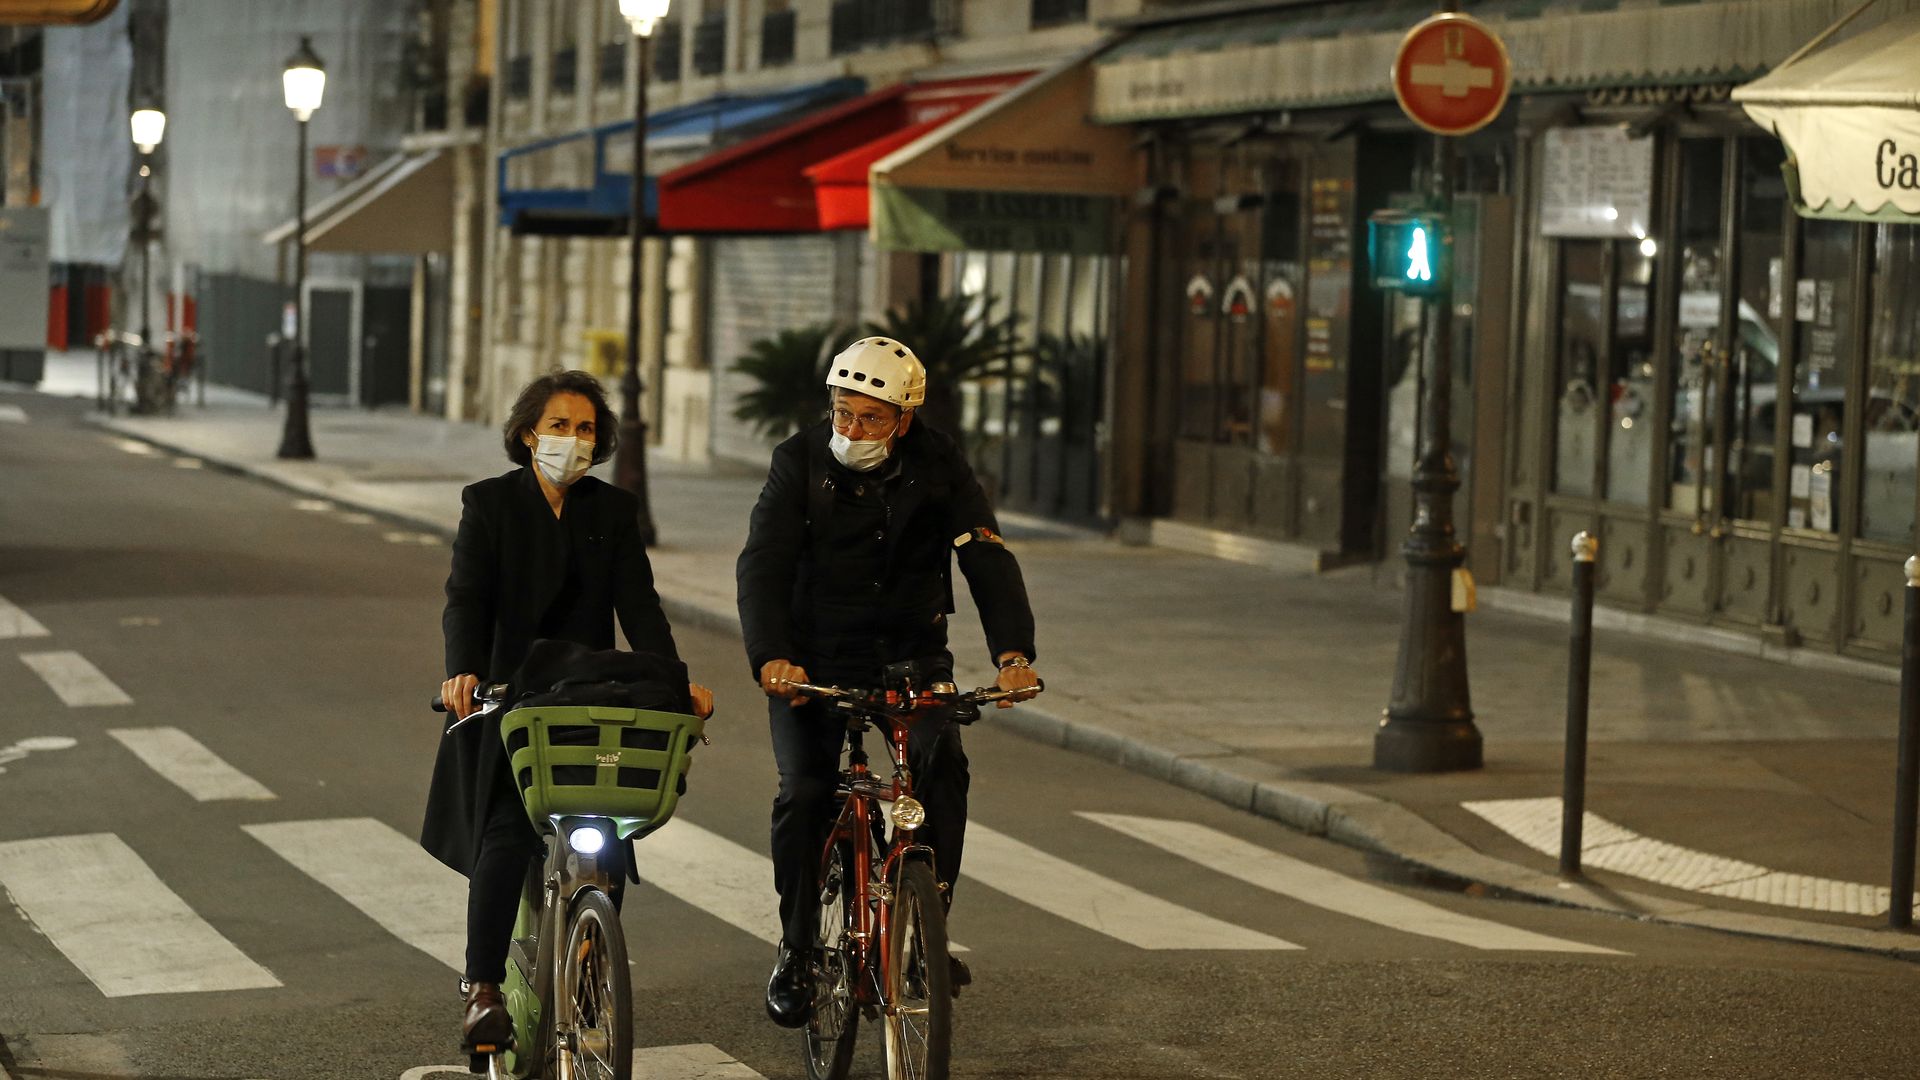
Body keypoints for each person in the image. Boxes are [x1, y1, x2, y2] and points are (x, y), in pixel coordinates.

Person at [736, 336, 1041, 1028]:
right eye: (842, 413)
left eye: (870, 418)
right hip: (813, 660)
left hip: (912, 654)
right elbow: (764, 564)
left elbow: (985, 555)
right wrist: (772, 657)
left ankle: (926, 914)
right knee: (806, 793)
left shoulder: (940, 466)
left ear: (905, 419)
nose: (851, 430)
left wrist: (1014, 652)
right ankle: (796, 948)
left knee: (944, 766)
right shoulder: (798, 460)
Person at [421, 369, 715, 1051]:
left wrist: (675, 682)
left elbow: (640, 607)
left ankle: (590, 959)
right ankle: (483, 990)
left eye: (585, 429)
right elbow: (466, 596)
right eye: (558, 426)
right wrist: (462, 671)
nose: (572, 441)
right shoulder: (489, 504)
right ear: (528, 434)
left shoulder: (610, 512)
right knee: (505, 831)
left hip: (587, 695)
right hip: (506, 697)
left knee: (605, 834)